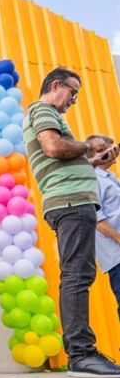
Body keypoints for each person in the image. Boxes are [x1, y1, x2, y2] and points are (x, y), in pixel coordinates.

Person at [22, 67, 120, 377]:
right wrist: (88, 146)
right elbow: (53, 147)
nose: (73, 101)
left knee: (79, 273)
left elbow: (60, 159)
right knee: (77, 275)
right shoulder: (42, 109)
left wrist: (91, 162)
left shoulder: (45, 113)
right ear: (55, 85)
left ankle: (81, 353)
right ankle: (81, 354)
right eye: (72, 93)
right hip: (70, 203)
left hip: (71, 200)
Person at [87, 134, 120, 324]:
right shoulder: (94, 179)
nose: (108, 150)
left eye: (108, 146)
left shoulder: (109, 177)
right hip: (117, 257)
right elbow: (96, 218)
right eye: (101, 149)